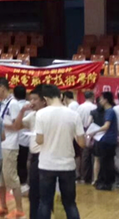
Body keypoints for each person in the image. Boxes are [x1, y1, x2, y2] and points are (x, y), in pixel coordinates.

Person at [35, 84, 85, 219]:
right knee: (70, 204)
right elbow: (82, 143)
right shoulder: (74, 114)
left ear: (45, 98)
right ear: (61, 96)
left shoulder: (41, 114)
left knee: (45, 203)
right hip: (67, 165)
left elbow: (39, 140)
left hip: (46, 164)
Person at [13, 84, 47, 219]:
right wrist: (22, 111)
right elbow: (17, 126)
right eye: (30, 99)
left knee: (45, 192)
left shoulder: (48, 116)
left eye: (35, 99)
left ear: (44, 101)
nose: (32, 102)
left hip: (46, 156)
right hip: (34, 156)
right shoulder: (32, 115)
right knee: (33, 192)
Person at [0, 77, 24, 218]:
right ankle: (3, 206)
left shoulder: (13, 104)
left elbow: (17, 126)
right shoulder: (2, 103)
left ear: (3, 88)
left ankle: (19, 209)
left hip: (9, 145)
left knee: (11, 177)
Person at [88, 91, 118, 191]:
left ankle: (105, 183)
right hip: (108, 140)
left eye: (101, 99)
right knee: (107, 162)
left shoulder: (109, 111)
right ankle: (106, 182)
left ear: (106, 100)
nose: (100, 101)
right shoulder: (109, 111)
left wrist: (94, 131)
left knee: (105, 162)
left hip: (107, 140)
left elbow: (106, 126)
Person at [76, 91, 97, 184]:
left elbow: (77, 121)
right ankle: (93, 177)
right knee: (94, 156)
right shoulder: (95, 107)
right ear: (92, 97)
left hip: (82, 132)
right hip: (93, 133)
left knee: (84, 156)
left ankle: (84, 177)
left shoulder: (80, 108)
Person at [13, 85, 30, 192]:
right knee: (26, 162)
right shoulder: (30, 105)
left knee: (19, 163)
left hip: (19, 139)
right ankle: (25, 183)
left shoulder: (14, 106)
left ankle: (21, 184)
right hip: (30, 138)